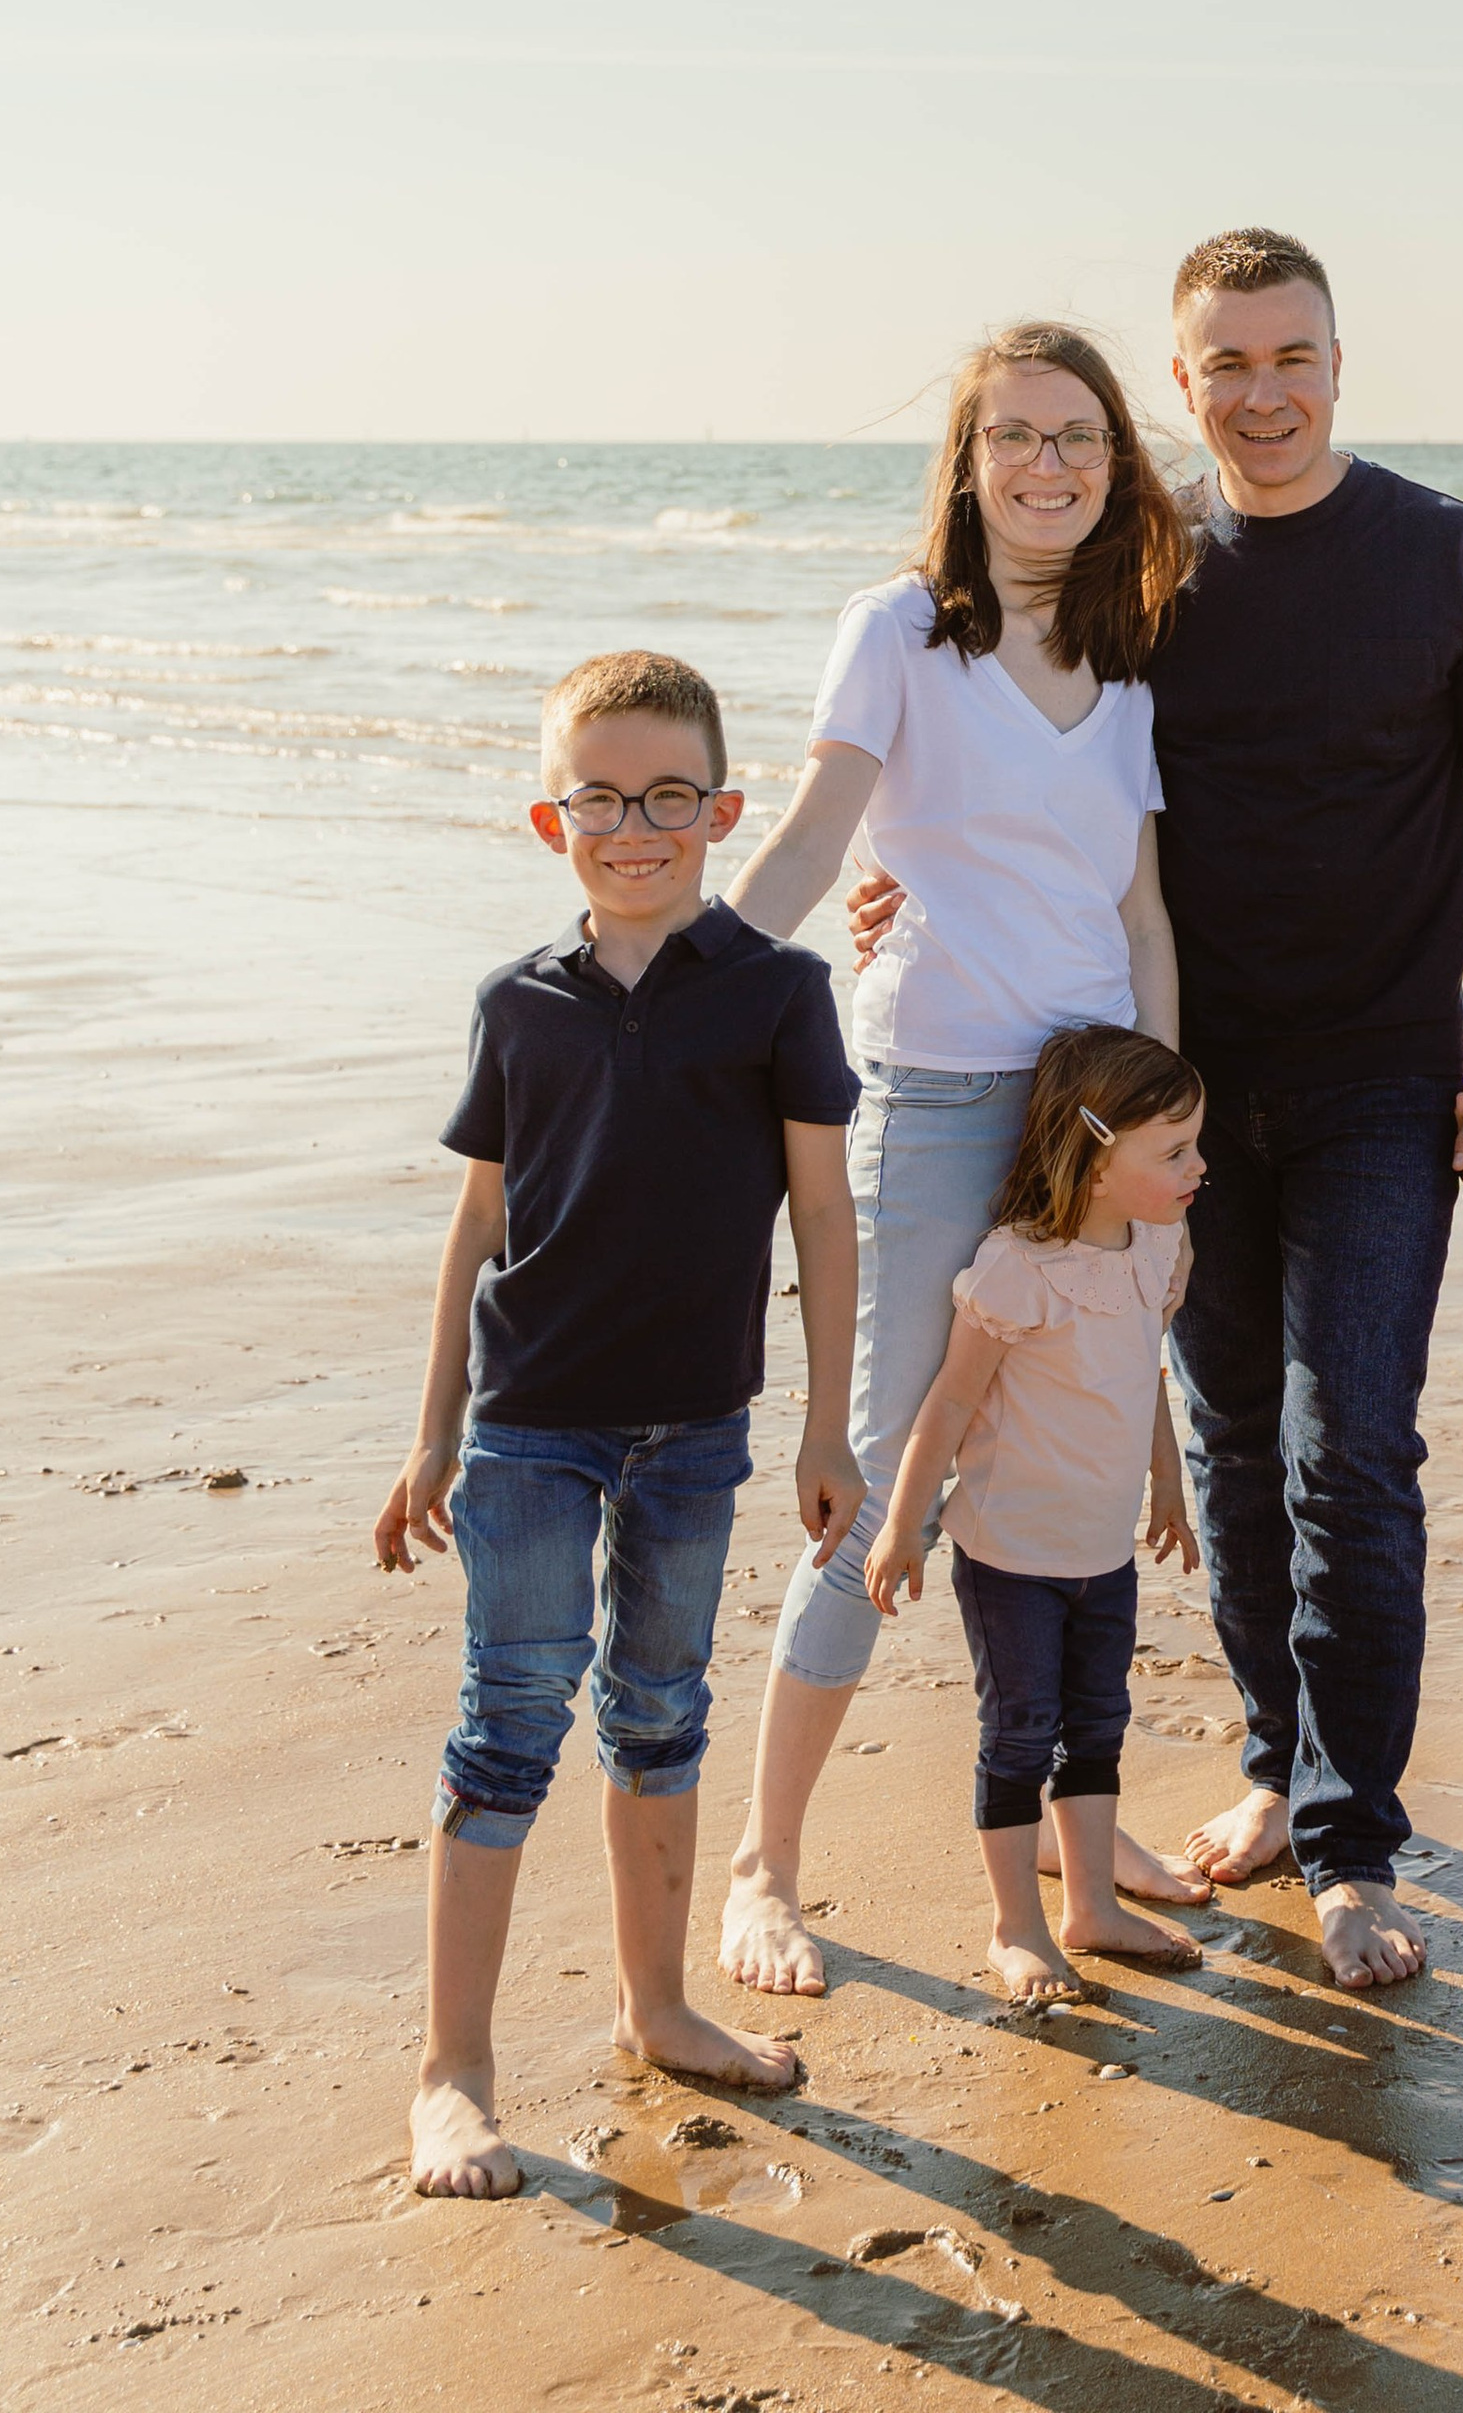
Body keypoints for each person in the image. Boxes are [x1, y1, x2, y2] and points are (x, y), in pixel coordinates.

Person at [714, 323, 1198, 2001]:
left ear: (1112, 460)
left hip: (1088, 1111)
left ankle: (1080, 1831)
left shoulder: (1130, 661)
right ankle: (764, 1870)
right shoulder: (902, 633)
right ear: (968, 458)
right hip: (932, 1091)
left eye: (1079, 438)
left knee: (1067, 1455)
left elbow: (1133, 912)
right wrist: (670, 997)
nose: (1047, 465)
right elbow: (815, 835)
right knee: (877, 1472)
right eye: (1015, 436)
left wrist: (1165, 1115)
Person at [374, 651, 863, 2201]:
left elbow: (826, 1221)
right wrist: (431, 1431)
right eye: (601, 797)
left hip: (696, 1431)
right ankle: (452, 2073)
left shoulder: (779, 995)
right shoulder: (515, 1007)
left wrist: (828, 1431)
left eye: (667, 798)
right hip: (529, 1426)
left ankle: (657, 2008)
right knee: (509, 1719)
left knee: (660, 1711)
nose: (633, 826)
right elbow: (474, 1229)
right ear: (551, 816)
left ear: (723, 811)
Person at [1143, 228, 1463, 1989]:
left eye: (1290, 356)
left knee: (1351, 1453)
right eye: (1226, 364)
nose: (1262, 394)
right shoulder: (1138, 563)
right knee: (1237, 1443)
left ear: (1340, 361)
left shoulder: (1449, 557)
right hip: (1179, 1091)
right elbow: (1012, 770)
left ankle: (1354, 1842)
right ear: (1183, 382)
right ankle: (1276, 1764)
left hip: (1384, 1082)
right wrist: (893, 890)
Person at [864, 1023, 1208, 2002]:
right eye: (1174, 1150)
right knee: (1020, 1732)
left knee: (1096, 1723)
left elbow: (1140, 1373)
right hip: (1011, 1553)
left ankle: (1089, 1905)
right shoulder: (1019, 1266)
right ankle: (1014, 1928)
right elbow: (952, 1400)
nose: (1198, 1167)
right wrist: (902, 1523)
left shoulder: (1156, 1248)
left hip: (1105, 1551)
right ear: (1098, 1161)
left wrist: (1168, 1485)